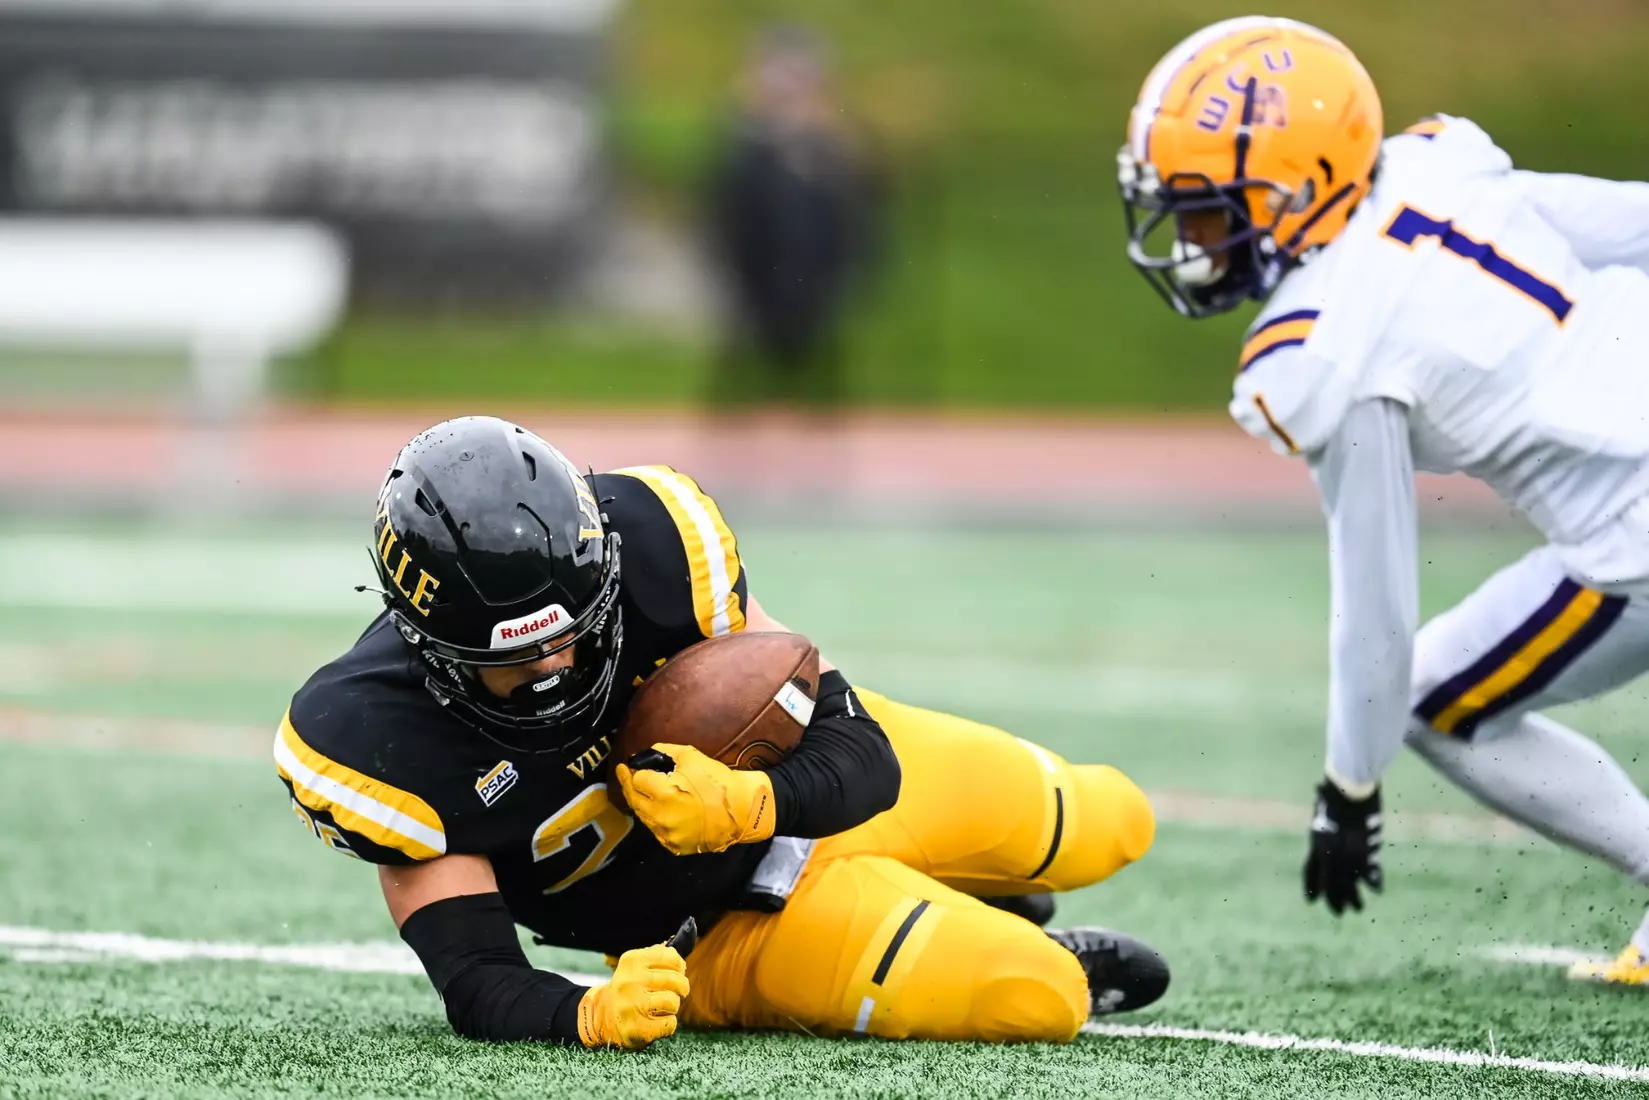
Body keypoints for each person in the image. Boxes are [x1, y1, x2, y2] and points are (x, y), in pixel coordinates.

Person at [274, 414, 1164, 1049]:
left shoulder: (661, 546)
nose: (554, 669)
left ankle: (978, 895)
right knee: (1035, 995)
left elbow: (864, 756)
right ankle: (1001, 928)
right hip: (723, 930)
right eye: (513, 659)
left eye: (573, 637)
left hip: (799, 797)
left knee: (1109, 818)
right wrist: (586, 1014)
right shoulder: (372, 738)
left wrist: (749, 802)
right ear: (430, 644)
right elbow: (474, 978)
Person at [1117, 15, 1649, 985]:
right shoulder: (1436, 171)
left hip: (1632, 532)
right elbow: (1632, 224)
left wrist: (1347, 784)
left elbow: (1377, 610)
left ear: (1295, 190)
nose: (1189, 240)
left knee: (1429, 699)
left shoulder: (1328, 343)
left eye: (1203, 209)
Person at [705, 26, 880, 409]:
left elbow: (853, 204)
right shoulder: (749, 139)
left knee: (815, 351)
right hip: (757, 264)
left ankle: (814, 420)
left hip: (811, 266)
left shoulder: (828, 142)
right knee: (746, 351)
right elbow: (728, 202)